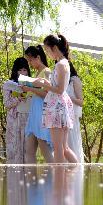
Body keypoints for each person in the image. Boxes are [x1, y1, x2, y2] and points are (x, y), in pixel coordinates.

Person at [36, 34, 78, 164]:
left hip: (57, 106)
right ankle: (76, 172)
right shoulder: (63, 63)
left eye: (47, 50)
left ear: (54, 48)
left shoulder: (61, 64)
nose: (47, 54)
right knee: (63, 148)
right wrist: (45, 82)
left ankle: (60, 180)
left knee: (59, 147)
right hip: (59, 105)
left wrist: (43, 85)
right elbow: (58, 86)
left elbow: (59, 89)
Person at [23, 45, 54, 163]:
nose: (29, 63)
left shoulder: (46, 71)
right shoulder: (37, 73)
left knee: (44, 146)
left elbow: (48, 94)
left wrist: (30, 89)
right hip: (34, 111)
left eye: (30, 60)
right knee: (29, 149)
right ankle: (32, 180)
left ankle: (55, 177)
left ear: (38, 57)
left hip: (41, 111)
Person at [2, 57, 32, 164]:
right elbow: (7, 103)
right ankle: (14, 178)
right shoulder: (8, 84)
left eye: (25, 70)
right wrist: (18, 98)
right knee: (14, 149)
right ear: (15, 71)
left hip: (28, 118)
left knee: (28, 149)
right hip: (14, 119)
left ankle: (28, 178)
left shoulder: (32, 84)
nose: (22, 72)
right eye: (20, 70)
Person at [67, 62, 84, 162]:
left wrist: (69, 98)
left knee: (72, 145)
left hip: (72, 118)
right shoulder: (61, 82)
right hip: (61, 117)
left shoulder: (75, 80)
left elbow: (81, 102)